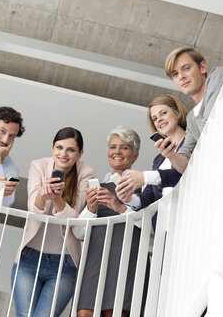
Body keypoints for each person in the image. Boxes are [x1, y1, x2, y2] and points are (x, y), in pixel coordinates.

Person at [11, 127, 95, 317]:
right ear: (52, 148)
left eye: (71, 150)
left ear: (80, 153)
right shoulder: (38, 166)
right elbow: (33, 210)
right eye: (59, 147)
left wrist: (57, 199)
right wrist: (44, 193)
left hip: (63, 264)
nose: (63, 154)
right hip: (28, 258)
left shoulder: (86, 173)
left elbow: (73, 218)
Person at [73, 125, 148, 317]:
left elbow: (149, 224)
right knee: (84, 313)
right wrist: (90, 209)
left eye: (124, 147)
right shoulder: (97, 187)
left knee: (115, 312)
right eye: (113, 147)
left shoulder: (145, 187)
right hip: (95, 258)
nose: (117, 152)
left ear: (135, 155)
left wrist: (119, 207)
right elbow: (78, 233)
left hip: (126, 258)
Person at [155, 47, 223, 174]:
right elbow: (184, 164)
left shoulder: (217, 75)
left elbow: (214, 124)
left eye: (186, 68)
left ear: (203, 67)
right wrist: (171, 155)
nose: (181, 77)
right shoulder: (192, 119)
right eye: (175, 74)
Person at [116, 94, 188, 213]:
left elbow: (182, 174)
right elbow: (148, 197)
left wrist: (145, 177)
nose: (158, 119)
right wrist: (130, 199)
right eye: (154, 118)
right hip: (164, 227)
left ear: (177, 112)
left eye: (163, 113)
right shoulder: (158, 160)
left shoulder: (192, 142)